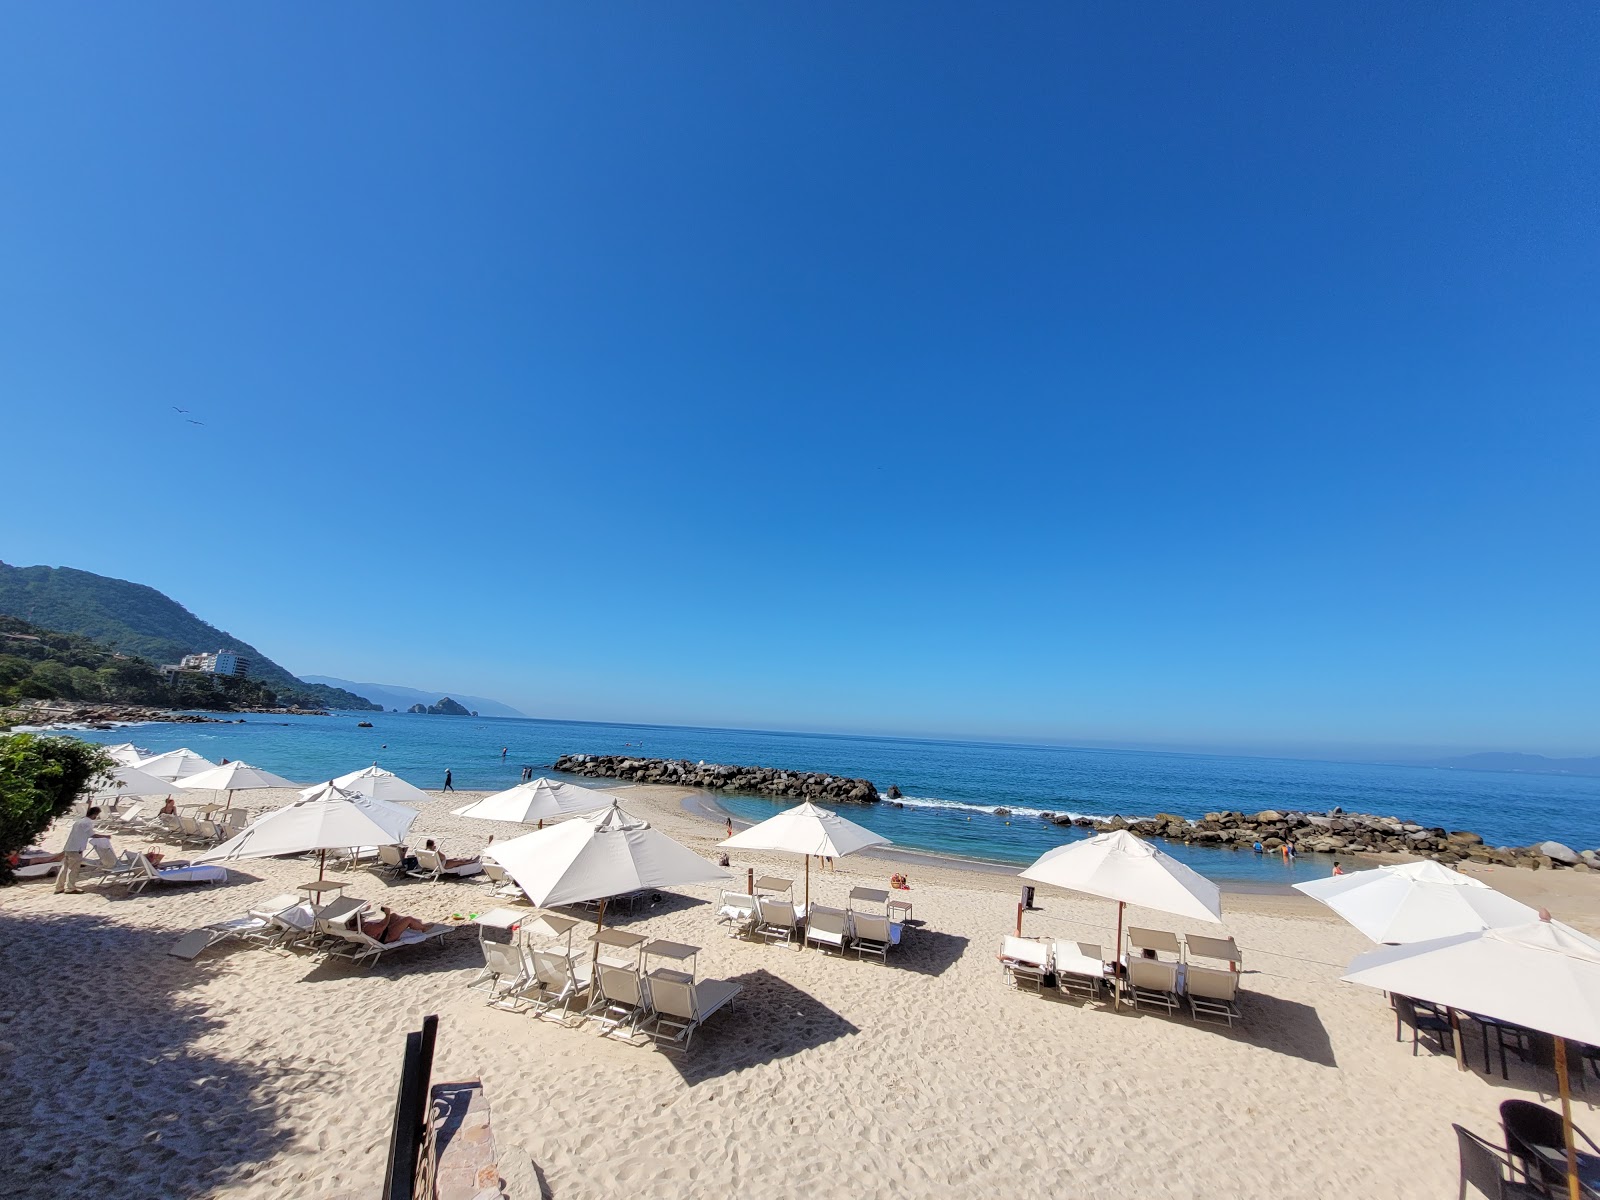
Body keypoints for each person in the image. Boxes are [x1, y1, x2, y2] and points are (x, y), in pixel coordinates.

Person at [54, 807, 100, 894]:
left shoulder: (79, 821)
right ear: (94, 814)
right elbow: (92, 835)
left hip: (69, 847)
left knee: (65, 868)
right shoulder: (88, 822)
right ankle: (70, 888)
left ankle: (59, 887)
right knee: (73, 868)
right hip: (76, 848)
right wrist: (105, 837)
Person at [360, 905, 431, 944]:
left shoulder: (358, 926)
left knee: (394, 916)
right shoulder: (366, 927)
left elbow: (379, 927)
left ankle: (406, 926)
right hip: (387, 936)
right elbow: (382, 926)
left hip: (381, 933)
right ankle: (423, 928)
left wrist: (388, 917)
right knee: (408, 919)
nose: (362, 917)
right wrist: (387, 914)